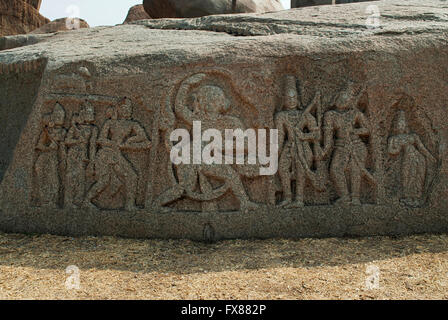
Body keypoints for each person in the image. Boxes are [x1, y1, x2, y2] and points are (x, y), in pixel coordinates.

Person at [84, 98, 151, 211]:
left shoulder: (133, 124)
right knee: (104, 181)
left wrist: (130, 142)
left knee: (131, 177)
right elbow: (100, 139)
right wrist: (113, 143)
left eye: (129, 108)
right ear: (118, 109)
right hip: (106, 154)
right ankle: (86, 201)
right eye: (124, 108)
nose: (127, 111)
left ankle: (129, 205)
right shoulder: (110, 123)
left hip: (116, 154)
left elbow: (146, 140)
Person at [319, 85, 374, 205]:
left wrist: (355, 131)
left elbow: (368, 129)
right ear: (336, 98)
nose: (342, 102)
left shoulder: (355, 114)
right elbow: (328, 137)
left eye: (346, 100)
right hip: (340, 145)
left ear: (350, 102)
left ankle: (355, 197)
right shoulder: (330, 115)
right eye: (340, 99)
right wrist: (324, 150)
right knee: (335, 169)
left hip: (356, 145)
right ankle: (344, 196)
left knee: (355, 169)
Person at [275, 75, 323, 208]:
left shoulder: (306, 115)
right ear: (284, 100)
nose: (291, 101)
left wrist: (303, 135)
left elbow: (317, 134)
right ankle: (288, 198)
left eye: (294, 98)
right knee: (283, 168)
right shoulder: (281, 116)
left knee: (301, 171)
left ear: (298, 99)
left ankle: (299, 199)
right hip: (289, 145)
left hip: (304, 147)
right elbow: (280, 135)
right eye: (289, 98)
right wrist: (276, 152)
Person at [388, 110, 436, 207]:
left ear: (406, 125)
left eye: (402, 124)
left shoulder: (413, 136)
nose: (400, 126)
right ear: (395, 126)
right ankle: (407, 197)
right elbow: (391, 151)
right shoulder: (393, 138)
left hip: (418, 157)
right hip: (406, 158)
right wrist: (397, 149)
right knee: (406, 176)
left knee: (417, 177)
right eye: (398, 124)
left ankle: (417, 198)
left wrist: (430, 157)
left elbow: (421, 148)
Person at [64, 102, 98, 208]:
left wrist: (92, 161)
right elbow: (67, 140)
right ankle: (68, 201)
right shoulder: (75, 127)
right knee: (71, 176)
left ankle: (78, 201)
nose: (92, 115)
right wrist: (77, 140)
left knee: (81, 178)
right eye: (89, 112)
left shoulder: (93, 129)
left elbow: (92, 146)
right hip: (73, 153)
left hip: (84, 154)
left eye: (92, 113)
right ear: (82, 113)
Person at [34, 103, 67, 208]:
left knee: (53, 179)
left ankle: (53, 201)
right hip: (44, 156)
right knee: (43, 177)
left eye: (62, 117)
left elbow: (62, 147)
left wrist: (64, 159)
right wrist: (48, 148)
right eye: (58, 116)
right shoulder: (46, 131)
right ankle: (44, 201)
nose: (61, 119)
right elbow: (39, 145)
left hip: (54, 158)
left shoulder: (63, 131)